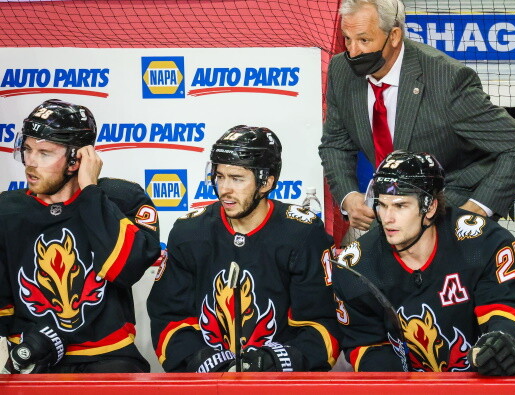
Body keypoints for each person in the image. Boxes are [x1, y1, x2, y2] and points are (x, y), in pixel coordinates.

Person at [319, 0, 515, 231]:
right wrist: (349, 197)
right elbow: (335, 144)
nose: (353, 52)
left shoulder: (446, 79)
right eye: (347, 39)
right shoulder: (340, 71)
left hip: (448, 204)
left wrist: (475, 211)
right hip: (389, 209)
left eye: (364, 40)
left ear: (393, 36)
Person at [147, 125, 340, 372]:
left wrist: (275, 361)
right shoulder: (189, 233)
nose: (224, 189)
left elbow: (322, 324)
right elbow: (168, 317)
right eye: (220, 176)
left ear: (266, 182)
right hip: (209, 384)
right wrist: (199, 359)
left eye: (237, 178)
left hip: (279, 385)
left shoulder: (302, 234)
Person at [331, 150, 515, 374]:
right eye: (382, 205)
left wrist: (504, 341)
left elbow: (508, 309)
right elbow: (367, 344)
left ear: (430, 207)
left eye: (400, 205)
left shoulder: (483, 242)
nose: (387, 218)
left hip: (489, 382)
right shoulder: (356, 265)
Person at [0, 99, 160, 374]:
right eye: (27, 150)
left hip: (109, 358)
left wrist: (90, 193)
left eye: (45, 153)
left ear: (78, 158)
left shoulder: (121, 199)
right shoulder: (7, 210)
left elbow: (124, 269)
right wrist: (27, 342)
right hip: (34, 358)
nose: (31, 163)